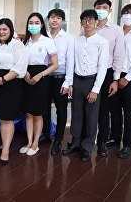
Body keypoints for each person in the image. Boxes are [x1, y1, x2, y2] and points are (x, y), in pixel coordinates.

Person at [62, 9, 109, 162]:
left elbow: (102, 68)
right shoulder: (76, 41)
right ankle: (75, 143)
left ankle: (87, 147)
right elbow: (71, 63)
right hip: (77, 80)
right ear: (81, 23)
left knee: (91, 116)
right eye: (84, 20)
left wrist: (95, 89)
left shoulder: (102, 42)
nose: (87, 23)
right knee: (76, 114)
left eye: (90, 20)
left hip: (92, 81)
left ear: (96, 22)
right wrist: (70, 83)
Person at [80, 0, 125, 157]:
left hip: (106, 74)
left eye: (105, 7)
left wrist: (115, 79)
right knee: (87, 111)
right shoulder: (87, 26)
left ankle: (102, 142)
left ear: (110, 10)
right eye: (98, 6)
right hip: (87, 75)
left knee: (103, 111)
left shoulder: (116, 30)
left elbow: (119, 55)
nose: (101, 9)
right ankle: (85, 142)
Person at [0, 18, 28, 165]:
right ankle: (5, 142)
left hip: (10, 86)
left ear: (10, 30)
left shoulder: (17, 45)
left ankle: (5, 151)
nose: (1, 32)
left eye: (5, 29)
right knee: (1, 117)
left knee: (7, 118)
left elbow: (20, 68)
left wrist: (3, 79)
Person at [20, 12, 58, 156]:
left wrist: (40, 75)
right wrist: (24, 73)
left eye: (37, 23)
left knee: (37, 114)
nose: (33, 26)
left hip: (41, 78)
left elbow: (55, 64)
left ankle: (36, 143)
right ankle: (29, 141)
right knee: (28, 113)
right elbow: (21, 61)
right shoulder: (25, 42)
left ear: (42, 25)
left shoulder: (47, 41)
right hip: (26, 77)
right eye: (31, 23)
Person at [110, 4, 131, 158]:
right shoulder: (116, 31)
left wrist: (127, 78)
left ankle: (128, 144)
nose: (128, 15)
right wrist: (116, 78)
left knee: (129, 110)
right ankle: (115, 137)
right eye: (125, 12)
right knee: (114, 109)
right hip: (115, 75)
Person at [46, 9, 74, 155]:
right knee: (44, 108)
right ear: (48, 19)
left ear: (62, 20)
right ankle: (45, 135)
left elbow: (71, 61)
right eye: (52, 17)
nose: (54, 20)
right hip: (45, 78)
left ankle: (58, 141)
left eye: (58, 18)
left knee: (61, 110)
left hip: (60, 78)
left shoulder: (68, 38)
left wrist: (68, 82)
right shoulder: (44, 36)